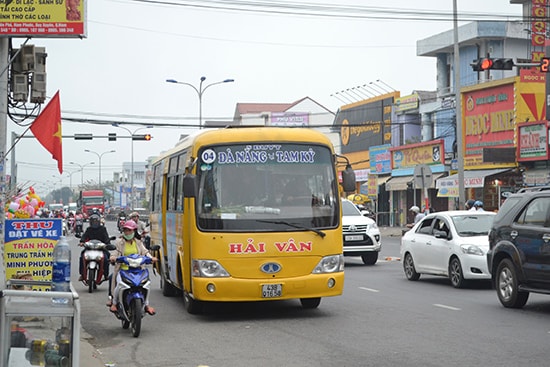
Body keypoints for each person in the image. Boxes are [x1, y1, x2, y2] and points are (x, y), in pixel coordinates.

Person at [108, 220, 157, 315]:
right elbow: (115, 252)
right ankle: (114, 303)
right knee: (119, 285)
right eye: (125, 230)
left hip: (138, 270)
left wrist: (151, 258)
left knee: (147, 285)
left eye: (129, 230)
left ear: (134, 231)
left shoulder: (138, 242)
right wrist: (113, 257)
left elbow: (145, 252)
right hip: (124, 270)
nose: (127, 232)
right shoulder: (119, 242)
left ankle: (146, 305)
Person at [78, 213, 111, 282]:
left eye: (96, 221)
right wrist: (82, 242)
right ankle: (82, 274)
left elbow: (106, 238)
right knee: (82, 257)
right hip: (90, 248)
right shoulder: (89, 229)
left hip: (101, 248)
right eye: (93, 221)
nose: (94, 223)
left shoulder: (103, 229)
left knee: (106, 257)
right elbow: (84, 236)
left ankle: (106, 274)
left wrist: (107, 244)